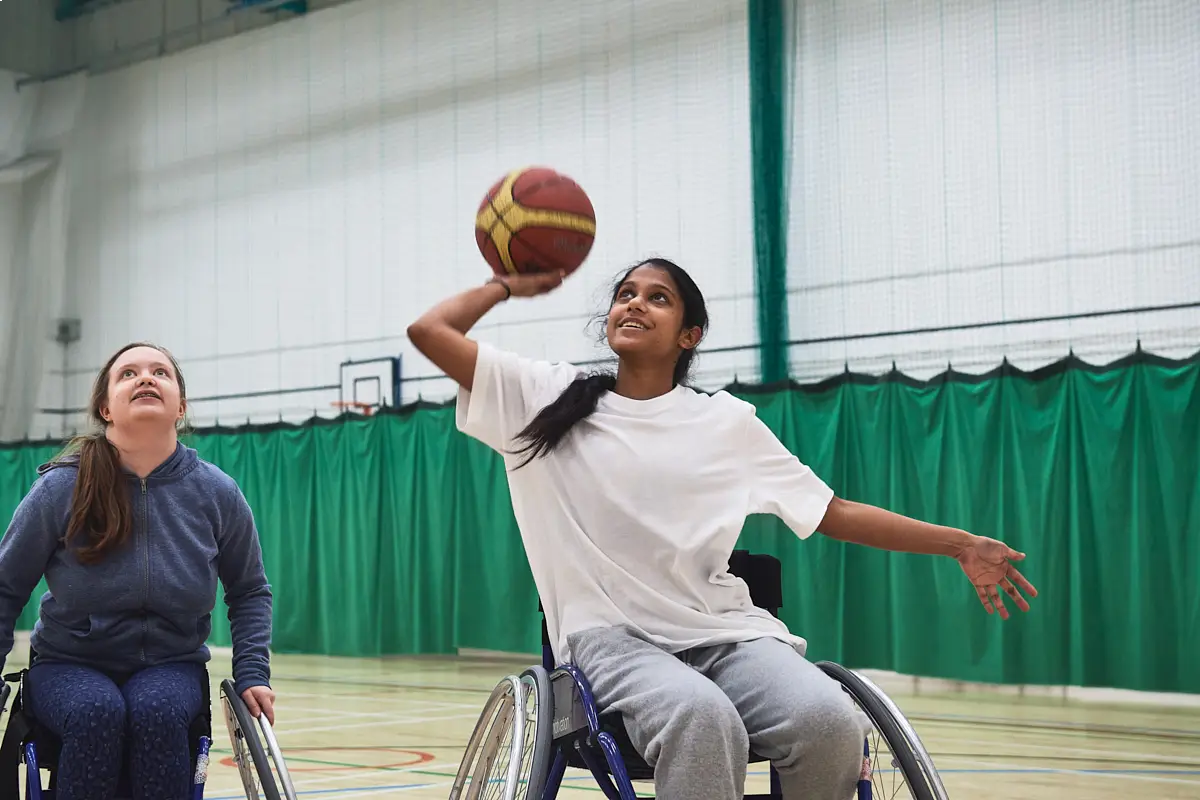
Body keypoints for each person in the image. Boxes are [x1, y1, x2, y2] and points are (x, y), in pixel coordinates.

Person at [408, 258, 1038, 800]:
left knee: (829, 719)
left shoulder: (727, 424)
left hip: (725, 633)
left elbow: (833, 512)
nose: (635, 304)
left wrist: (960, 543)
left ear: (690, 334)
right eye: (626, 294)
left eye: (658, 298)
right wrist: (505, 284)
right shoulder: (546, 397)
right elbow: (429, 331)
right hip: (610, 640)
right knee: (701, 717)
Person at [0, 342, 276, 800]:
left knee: (158, 711)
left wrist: (253, 672)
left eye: (160, 373)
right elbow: (6, 587)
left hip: (171, 664)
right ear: (106, 408)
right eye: (128, 373)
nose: (146, 378)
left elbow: (249, 591)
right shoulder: (59, 488)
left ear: (180, 407)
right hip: (68, 664)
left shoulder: (217, 492)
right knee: (95, 711)